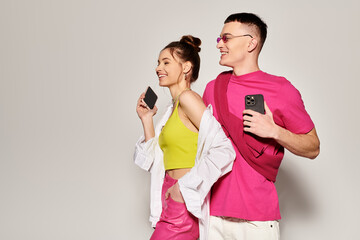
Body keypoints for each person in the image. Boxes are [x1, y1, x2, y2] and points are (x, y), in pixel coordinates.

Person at [201, 13, 320, 239]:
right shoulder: (212, 88)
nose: (219, 44)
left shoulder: (281, 89)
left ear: (251, 42)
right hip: (212, 216)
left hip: (257, 219)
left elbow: (313, 147)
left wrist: (274, 131)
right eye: (219, 38)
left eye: (226, 38)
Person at [134, 35, 235, 240]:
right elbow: (152, 160)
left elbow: (224, 148)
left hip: (183, 201)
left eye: (166, 62)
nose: (158, 68)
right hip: (168, 198)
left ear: (186, 68)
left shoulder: (188, 99)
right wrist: (147, 119)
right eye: (158, 63)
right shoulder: (172, 108)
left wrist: (183, 187)